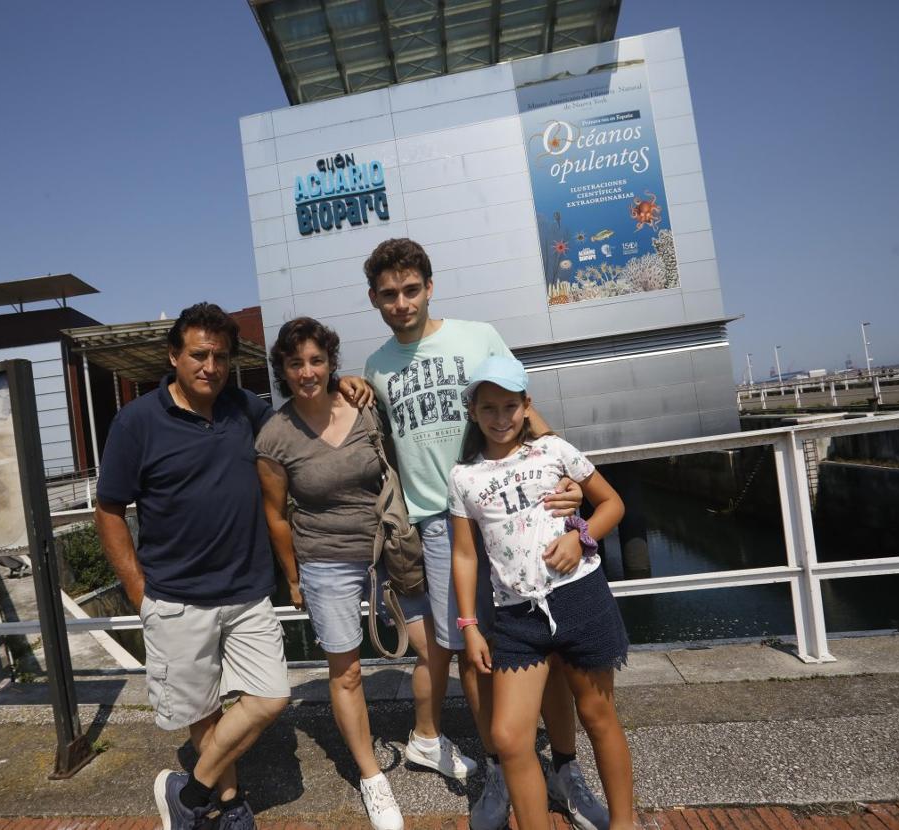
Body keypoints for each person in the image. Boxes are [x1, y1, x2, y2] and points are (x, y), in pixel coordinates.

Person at [361, 238, 608, 830]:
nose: (402, 303)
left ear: (430, 285)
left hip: (517, 511)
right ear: (374, 299)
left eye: (411, 290)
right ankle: (500, 768)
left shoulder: (478, 336)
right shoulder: (374, 367)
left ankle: (566, 768)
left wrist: (565, 475)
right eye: (389, 294)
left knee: (546, 643)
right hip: (443, 526)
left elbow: (525, 407)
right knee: (476, 656)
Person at [94, 302, 372, 830]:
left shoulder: (246, 409)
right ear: (174, 356)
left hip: (247, 591)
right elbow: (108, 509)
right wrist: (137, 591)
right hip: (174, 595)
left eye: (220, 356)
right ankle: (227, 803)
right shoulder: (136, 423)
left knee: (271, 697)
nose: (210, 366)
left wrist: (344, 385)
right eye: (198, 354)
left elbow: (305, 410)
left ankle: (190, 792)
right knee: (201, 713)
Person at [255, 317, 462, 830]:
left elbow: (401, 460)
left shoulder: (364, 405)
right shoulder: (275, 437)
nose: (307, 372)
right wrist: (294, 578)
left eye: (317, 360)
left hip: (390, 547)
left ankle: (426, 738)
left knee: (436, 644)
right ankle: (372, 777)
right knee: (345, 672)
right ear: (282, 368)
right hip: (325, 557)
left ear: (331, 362)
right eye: (296, 362)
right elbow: (276, 515)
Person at [450, 356, 633, 830]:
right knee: (509, 737)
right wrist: (469, 625)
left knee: (597, 714)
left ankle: (624, 822)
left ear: (527, 405)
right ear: (472, 410)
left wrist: (582, 536)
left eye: (510, 405)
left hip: (580, 597)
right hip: (517, 616)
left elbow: (612, 504)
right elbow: (466, 555)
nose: (499, 417)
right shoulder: (463, 477)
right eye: (487, 407)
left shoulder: (554, 450)